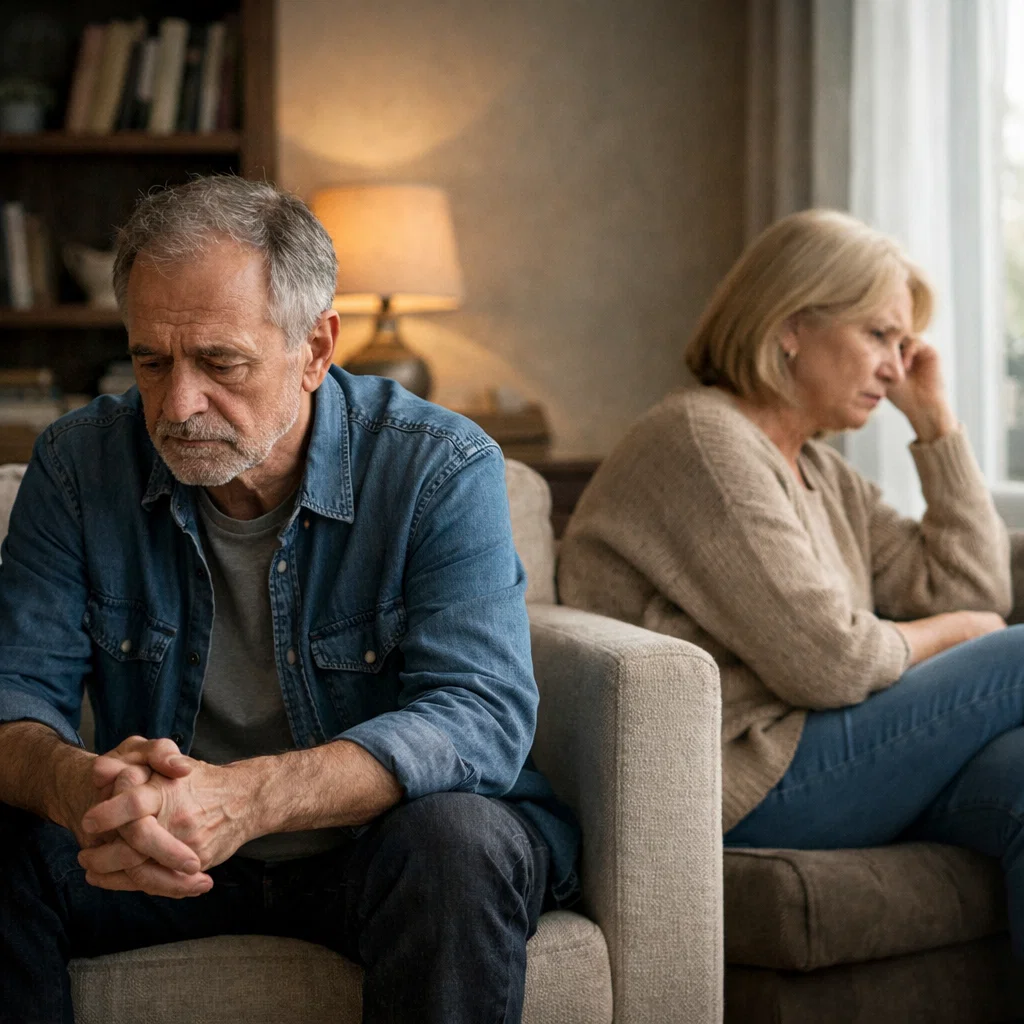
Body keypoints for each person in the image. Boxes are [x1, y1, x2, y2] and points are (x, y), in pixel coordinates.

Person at [0, 175, 579, 1024]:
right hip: (162, 856)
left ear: (316, 349)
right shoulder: (78, 466)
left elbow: (480, 712)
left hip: (371, 853)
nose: (177, 403)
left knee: (458, 838)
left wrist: (253, 797)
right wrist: (83, 790)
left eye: (220, 362)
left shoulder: (437, 466)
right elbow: (13, 701)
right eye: (151, 362)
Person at [556, 208, 1024, 952]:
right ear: (789, 326)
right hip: (738, 779)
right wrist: (967, 636)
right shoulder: (701, 440)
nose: (895, 367)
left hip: (814, 754)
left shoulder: (822, 471)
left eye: (903, 345)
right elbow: (829, 662)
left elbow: (971, 593)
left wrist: (935, 424)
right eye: (878, 335)